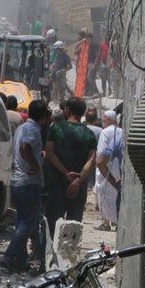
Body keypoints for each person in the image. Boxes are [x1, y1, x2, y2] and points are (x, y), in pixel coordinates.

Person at [43, 97, 97, 259]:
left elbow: (49, 153)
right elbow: (92, 160)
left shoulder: (56, 129)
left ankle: (49, 261)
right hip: (77, 189)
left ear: (67, 110)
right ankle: (69, 262)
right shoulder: (88, 133)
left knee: (52, 224)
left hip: (56, 185)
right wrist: (78, 180)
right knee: (74, 226)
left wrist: (65, 173)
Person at [0, 100, 50, 273]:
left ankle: (19, 260)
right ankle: (9, 256)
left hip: (18, 180)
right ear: (44, 117)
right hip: (28, 182)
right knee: (28, 222)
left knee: (21, 221)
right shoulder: (33, 130)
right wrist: (35, 166)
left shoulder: (22, 127)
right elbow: (24, 147)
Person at [94, 110, 122, 231]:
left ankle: (106, 223)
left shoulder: (105, 132)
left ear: (110, 119)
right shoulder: (121, 131)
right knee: (115, 194)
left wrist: (98, 163)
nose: (103, 120)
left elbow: (101, 151)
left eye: (105, 118)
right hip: (117, 166)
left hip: (105, 166)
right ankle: (117, 221)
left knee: (104, 193)